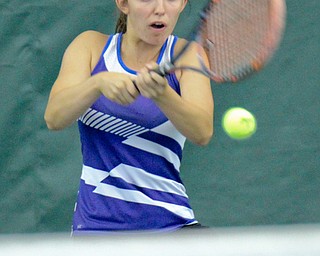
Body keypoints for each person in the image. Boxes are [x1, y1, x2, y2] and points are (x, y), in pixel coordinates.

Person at [44, 0, 214, 234]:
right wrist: (97, 83)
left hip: (171, 226)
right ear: (124, 4)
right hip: (97, 229)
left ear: (183, 3)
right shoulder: (90, 46)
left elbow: (202, 131)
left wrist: (163, 94)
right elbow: (54, 117)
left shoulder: (189, 56)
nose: (161, 9)